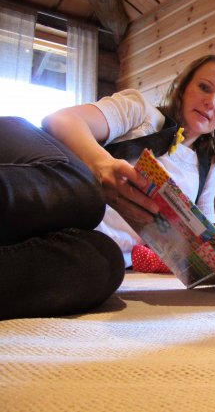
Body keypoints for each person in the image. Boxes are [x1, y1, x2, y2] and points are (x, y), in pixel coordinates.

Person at [42, 54, 215, 267]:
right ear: (183, 89)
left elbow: (204, 230)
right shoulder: (142, 111)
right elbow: (59, 120)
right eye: (204, 87)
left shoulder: (208, 163)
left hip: (117, 262)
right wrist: (102, 165)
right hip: (72, 229)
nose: (211, 102)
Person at [0, 116, 125, 320]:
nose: (199, 101)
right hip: (19, 153)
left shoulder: (197, 169)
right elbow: (60, 120)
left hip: (83, 234)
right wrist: (102, 162)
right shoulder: (146, 113)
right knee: (85, 196)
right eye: (199, 86)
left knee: (101, 263)